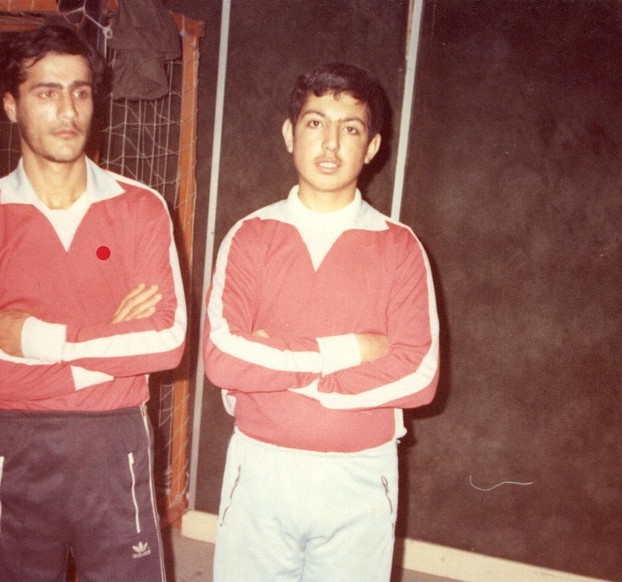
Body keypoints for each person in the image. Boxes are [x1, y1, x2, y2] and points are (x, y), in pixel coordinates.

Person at [0, 23, 186, 581]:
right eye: (47, 92)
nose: (68, 110)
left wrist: (35, 339)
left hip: (116, 441)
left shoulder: (141, 207)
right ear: (11, 105)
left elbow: (167, 342)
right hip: (16, 446)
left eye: (80, 91)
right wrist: (110, 354)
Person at [203, 62, 440, 582]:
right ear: (290, 134)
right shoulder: (250, 235)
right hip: (261, 467)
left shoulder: (400, 247)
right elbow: (222, 358)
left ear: (371, 147)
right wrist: (352, 349)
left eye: (350, 128)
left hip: (360, 475)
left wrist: (278, 369)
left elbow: (419, 374)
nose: (331, 143)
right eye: (315, 123)